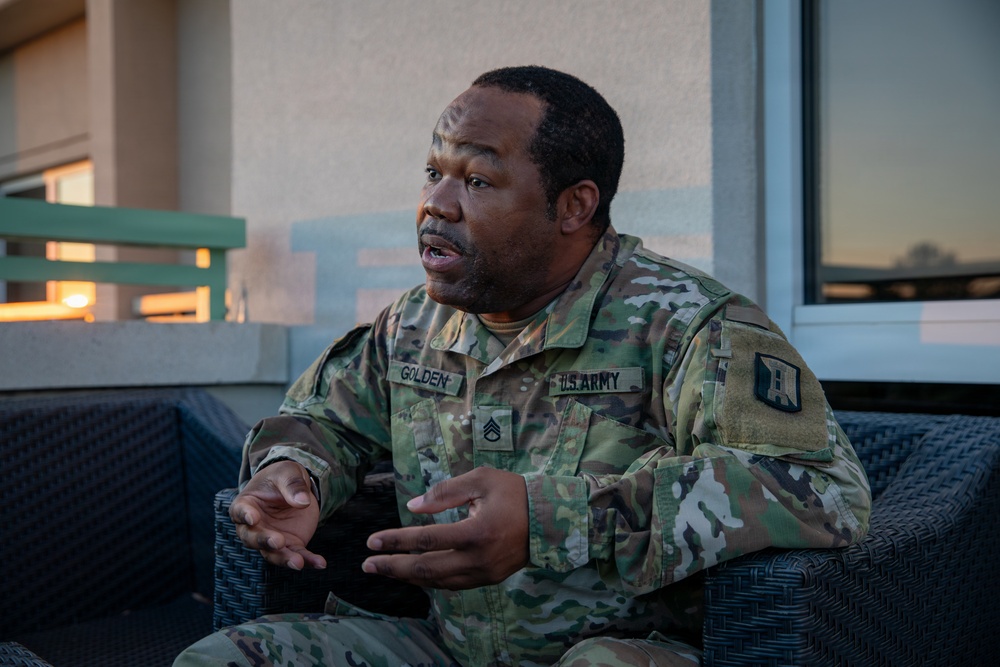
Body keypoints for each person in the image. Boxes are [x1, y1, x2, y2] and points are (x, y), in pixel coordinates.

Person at [176, 65, 871, 667]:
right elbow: (326, 419)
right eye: (434, 172)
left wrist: (555, 519)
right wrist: (293, 473)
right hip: (448, 647)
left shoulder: (689, 325)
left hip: (624, 649)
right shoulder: (412, 323)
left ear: (574, 206)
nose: (436, 204)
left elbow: (821, 490)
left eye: (477, 179)